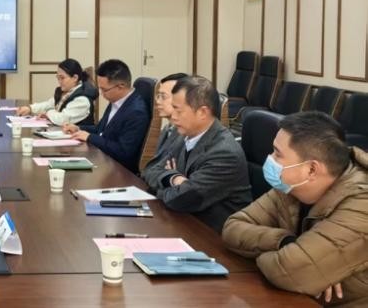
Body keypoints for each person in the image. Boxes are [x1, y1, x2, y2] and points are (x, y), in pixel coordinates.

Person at [222, 112, 368, 306]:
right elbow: (233, 227)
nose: (270, 158)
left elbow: (289, 272)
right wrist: (285, 242)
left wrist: (295, 263)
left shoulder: (362, 204)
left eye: (277, 154)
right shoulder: (290, 188)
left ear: (311, 169)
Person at [141, 76, 251, 233]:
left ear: (202, 112)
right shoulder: (182, 133)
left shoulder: (224, 153)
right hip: (182, 221)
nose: (173, 116)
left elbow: (181, 199)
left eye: (178, 110)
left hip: (210, 235)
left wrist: (161, 186)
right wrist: (174, 178)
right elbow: (150, 170)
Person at [63, 59, 149, 173]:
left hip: (119, 171)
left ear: (121, 86)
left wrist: (90, 137)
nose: (101, 94)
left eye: (104, 89)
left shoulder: (136, 112)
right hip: (104, 160)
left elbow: (123, 152)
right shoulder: (116, 100)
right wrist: (79, 128)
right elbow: (101, 129)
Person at [16, 58, 96, 126]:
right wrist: (30, 108)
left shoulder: (82, 99)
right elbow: (49, 104)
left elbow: (62, 119)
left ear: (75, 78)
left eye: (62, 78)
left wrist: (48, 113)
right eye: (58, 78)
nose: (59, 81)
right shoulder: (67, 92)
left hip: (79, 139)